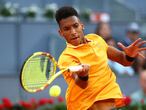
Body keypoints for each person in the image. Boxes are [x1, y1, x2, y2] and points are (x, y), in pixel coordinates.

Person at [55, 6, 146, 110]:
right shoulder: (66, 57)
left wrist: (130, 56)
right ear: (61, 33)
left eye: (75, 26)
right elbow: (81, 84)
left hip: (112, 105)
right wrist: (83, 76)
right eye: (66, 29)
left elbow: (124, 60)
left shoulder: (96, 39)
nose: (73, 32)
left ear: (82, 26)